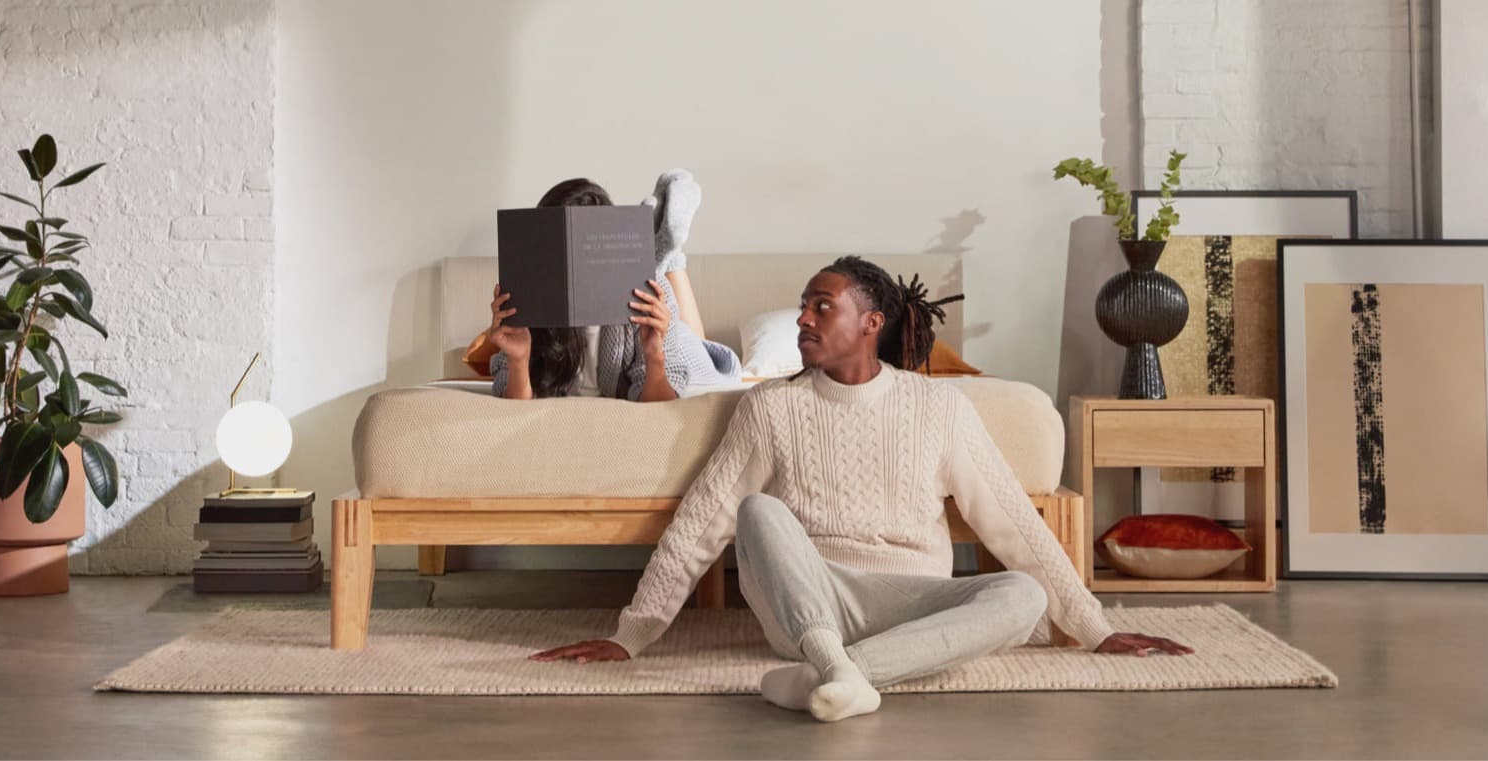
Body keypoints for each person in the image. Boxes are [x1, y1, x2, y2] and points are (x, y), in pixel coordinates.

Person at [530, 256, 1192, 721]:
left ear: (872, 322)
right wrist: (632, 634)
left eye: (822, 306)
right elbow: (704, 521)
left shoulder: (940, 406)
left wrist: (1095, 628)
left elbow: (1013, 523)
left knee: (1022, 594)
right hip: (810, 604)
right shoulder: (770, 407)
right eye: (802, 306)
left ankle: (838, 677)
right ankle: (833, 660)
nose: (804, 318)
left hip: (915, 603)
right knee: (757, 510)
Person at [489, 173, 739, 400]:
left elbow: (661, 406)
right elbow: (515, 405)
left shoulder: (648, 292)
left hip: (687, 354)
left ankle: (669, 256)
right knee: (656, 280)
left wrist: (655, 355)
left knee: (691, 339)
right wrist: (518, 360)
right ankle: (654, 252)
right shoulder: (526, 297)